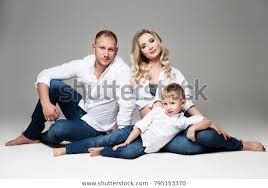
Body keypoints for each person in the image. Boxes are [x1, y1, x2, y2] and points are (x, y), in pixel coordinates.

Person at [54, 29, 265, 159]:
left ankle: (240, 144)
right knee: (186, 148)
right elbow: (134, 110)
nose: (149, 47)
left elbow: (187, 104)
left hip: (176, 127)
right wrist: (122, 129)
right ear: (141, 52)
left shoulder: (175, 74)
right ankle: (73, 149)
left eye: (151, 41)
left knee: (209, 134)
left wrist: (207, 121)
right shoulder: (135, 76)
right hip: (150, 130)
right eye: (144, 46)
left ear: (159, 42)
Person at [5, 30, 135, 146]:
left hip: (99, 128)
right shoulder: (85, 64)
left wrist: (121, 138)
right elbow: (45, 74)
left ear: (116, 51)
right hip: (84, 111)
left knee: (58, 129)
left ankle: (40, 137)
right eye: (102, 48)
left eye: (110, 49)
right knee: (54, 85)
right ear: (93, 47)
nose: (106, 54)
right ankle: (30, 135)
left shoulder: (122, 71)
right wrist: (46, 104)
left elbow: (127, 105)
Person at [53, 83, 212, 156]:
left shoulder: (182, 121)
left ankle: (103, 152)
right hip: (133, 132)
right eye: (166, 103)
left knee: (128, 154)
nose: (169, 107)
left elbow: (205, 121)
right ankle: (67, 150)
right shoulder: (158, 112)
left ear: (183, 103)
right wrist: (126, 141)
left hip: (144, 146)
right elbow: (140, 126)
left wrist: (193, 128)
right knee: (106, 139)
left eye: (173, 103)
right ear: (162, 103)